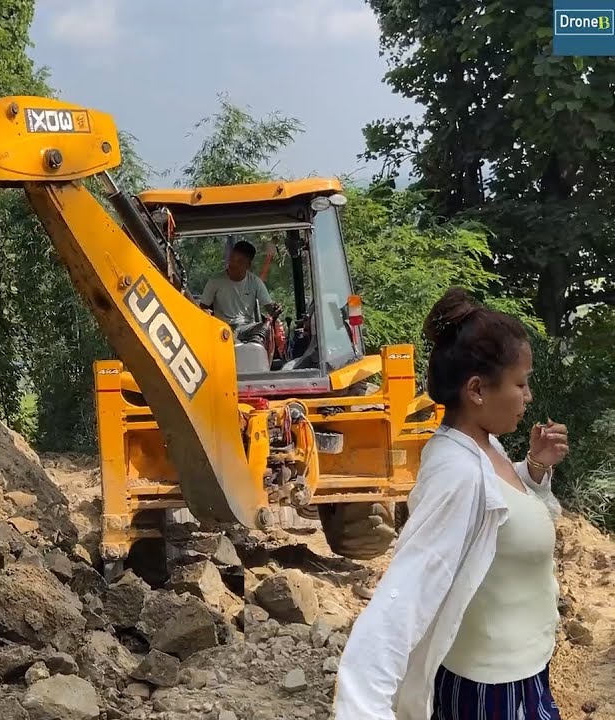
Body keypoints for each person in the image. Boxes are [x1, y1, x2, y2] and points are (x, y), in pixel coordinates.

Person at [332, 287, 569, 720]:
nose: (529, 396)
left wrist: (533, 468)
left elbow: (497, 509)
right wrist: (362, 707)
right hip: (491, 697)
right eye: (521, 383)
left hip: (523, 675)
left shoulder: (483, 448)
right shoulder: (458, 474)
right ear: (477, 390)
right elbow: (402, 598)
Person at [198, 240, 281, 330]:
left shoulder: (255, 282)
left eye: (240, 261)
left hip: (248, 329)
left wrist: (275, 309)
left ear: (248, 265)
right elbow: (203, 308)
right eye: (232, 259)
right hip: (222, 329)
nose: (234, 264)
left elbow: (269, 306)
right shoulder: (215, 281)